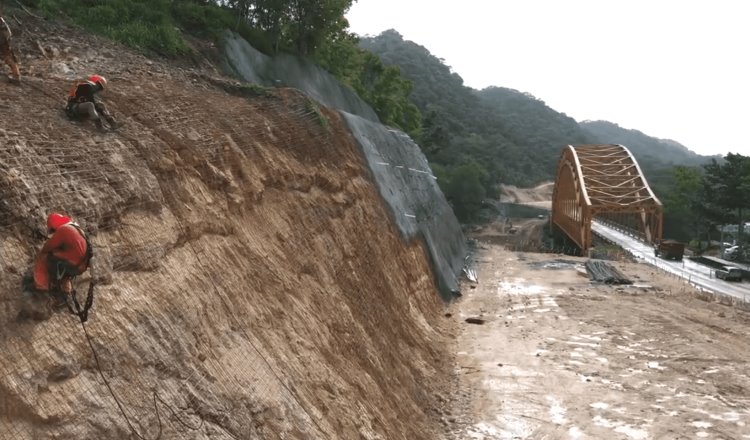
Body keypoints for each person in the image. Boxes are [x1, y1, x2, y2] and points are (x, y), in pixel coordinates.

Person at [33, 213, 92, 296]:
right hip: (80, 267)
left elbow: (47, 247)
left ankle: (41, 286)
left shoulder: (64, 230)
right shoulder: (77, 229)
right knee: (65, 272)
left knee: (43, 255)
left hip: (70, 264)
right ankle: (66, 290)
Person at [0, 16, 20, 82]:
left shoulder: (1, 21)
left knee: (8, 58)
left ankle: (16, 76)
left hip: (3, 43)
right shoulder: (2, 21)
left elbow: (8, 34)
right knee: (8, 58)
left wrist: (6, 41)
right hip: (3, 42)